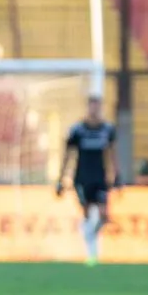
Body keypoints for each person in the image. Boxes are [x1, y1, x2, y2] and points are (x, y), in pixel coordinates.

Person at [55, 97, 119, 265]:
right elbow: (68, 155)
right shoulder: (77, 130)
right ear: (88, 107)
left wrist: (116, 175)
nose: (94, 110)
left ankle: (90, 236)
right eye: (92, 106)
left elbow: (111, 153)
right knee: (87, 212)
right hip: (82, 178)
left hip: (100, 177)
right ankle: (91, 253)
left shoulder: (107, 129)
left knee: (104, 215)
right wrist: (61, 179)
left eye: (97, 106)